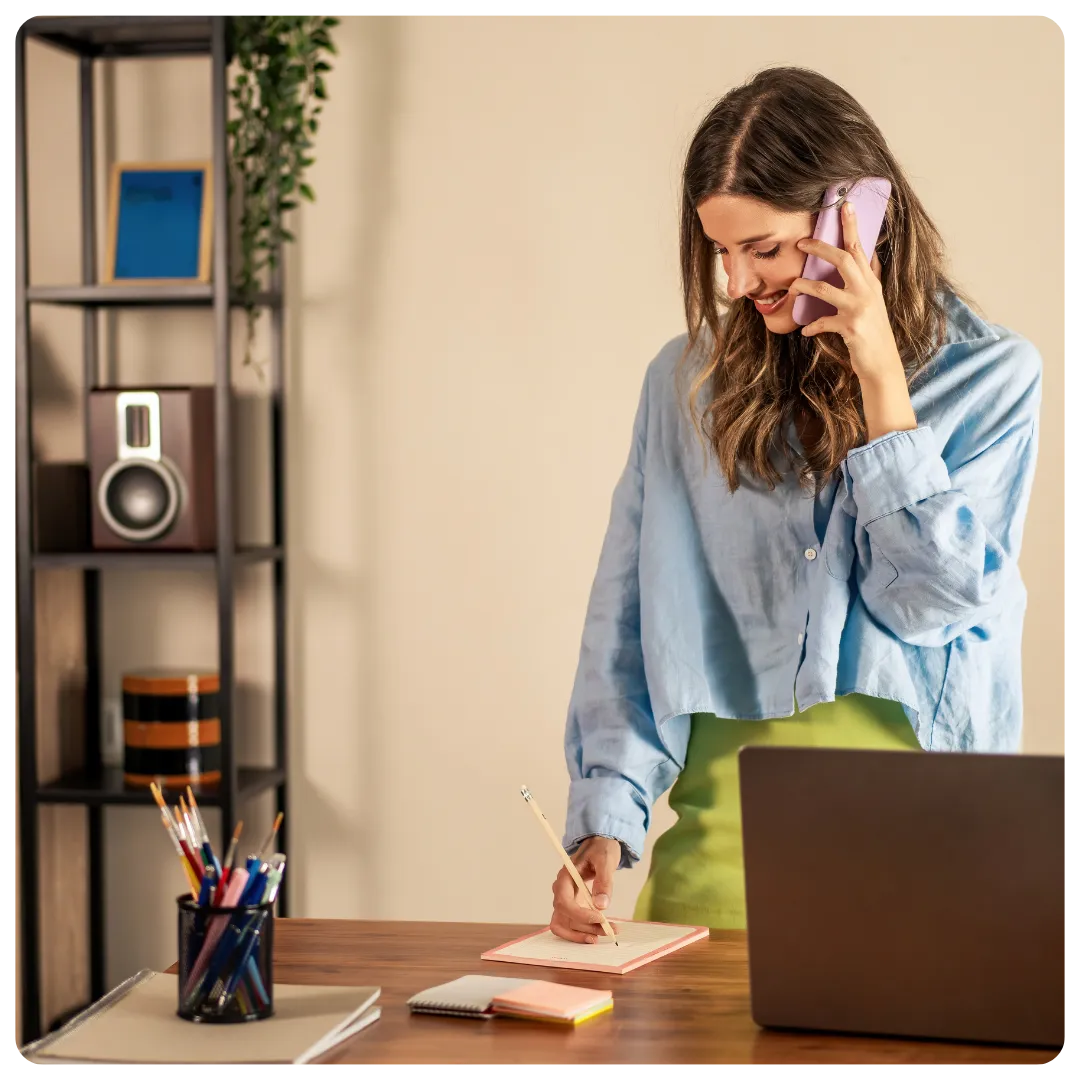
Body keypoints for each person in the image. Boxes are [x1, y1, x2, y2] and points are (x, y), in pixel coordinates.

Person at [549, 66, 1042, 943]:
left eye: (765, 248)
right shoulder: (682, 384)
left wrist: (881, 382)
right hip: (713, 888)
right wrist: (602, 820)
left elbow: (935, 605)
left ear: (857, 216)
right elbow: (625, 621)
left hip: (931, 876)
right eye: (720, 253)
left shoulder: (993, 379)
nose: (737, 282)